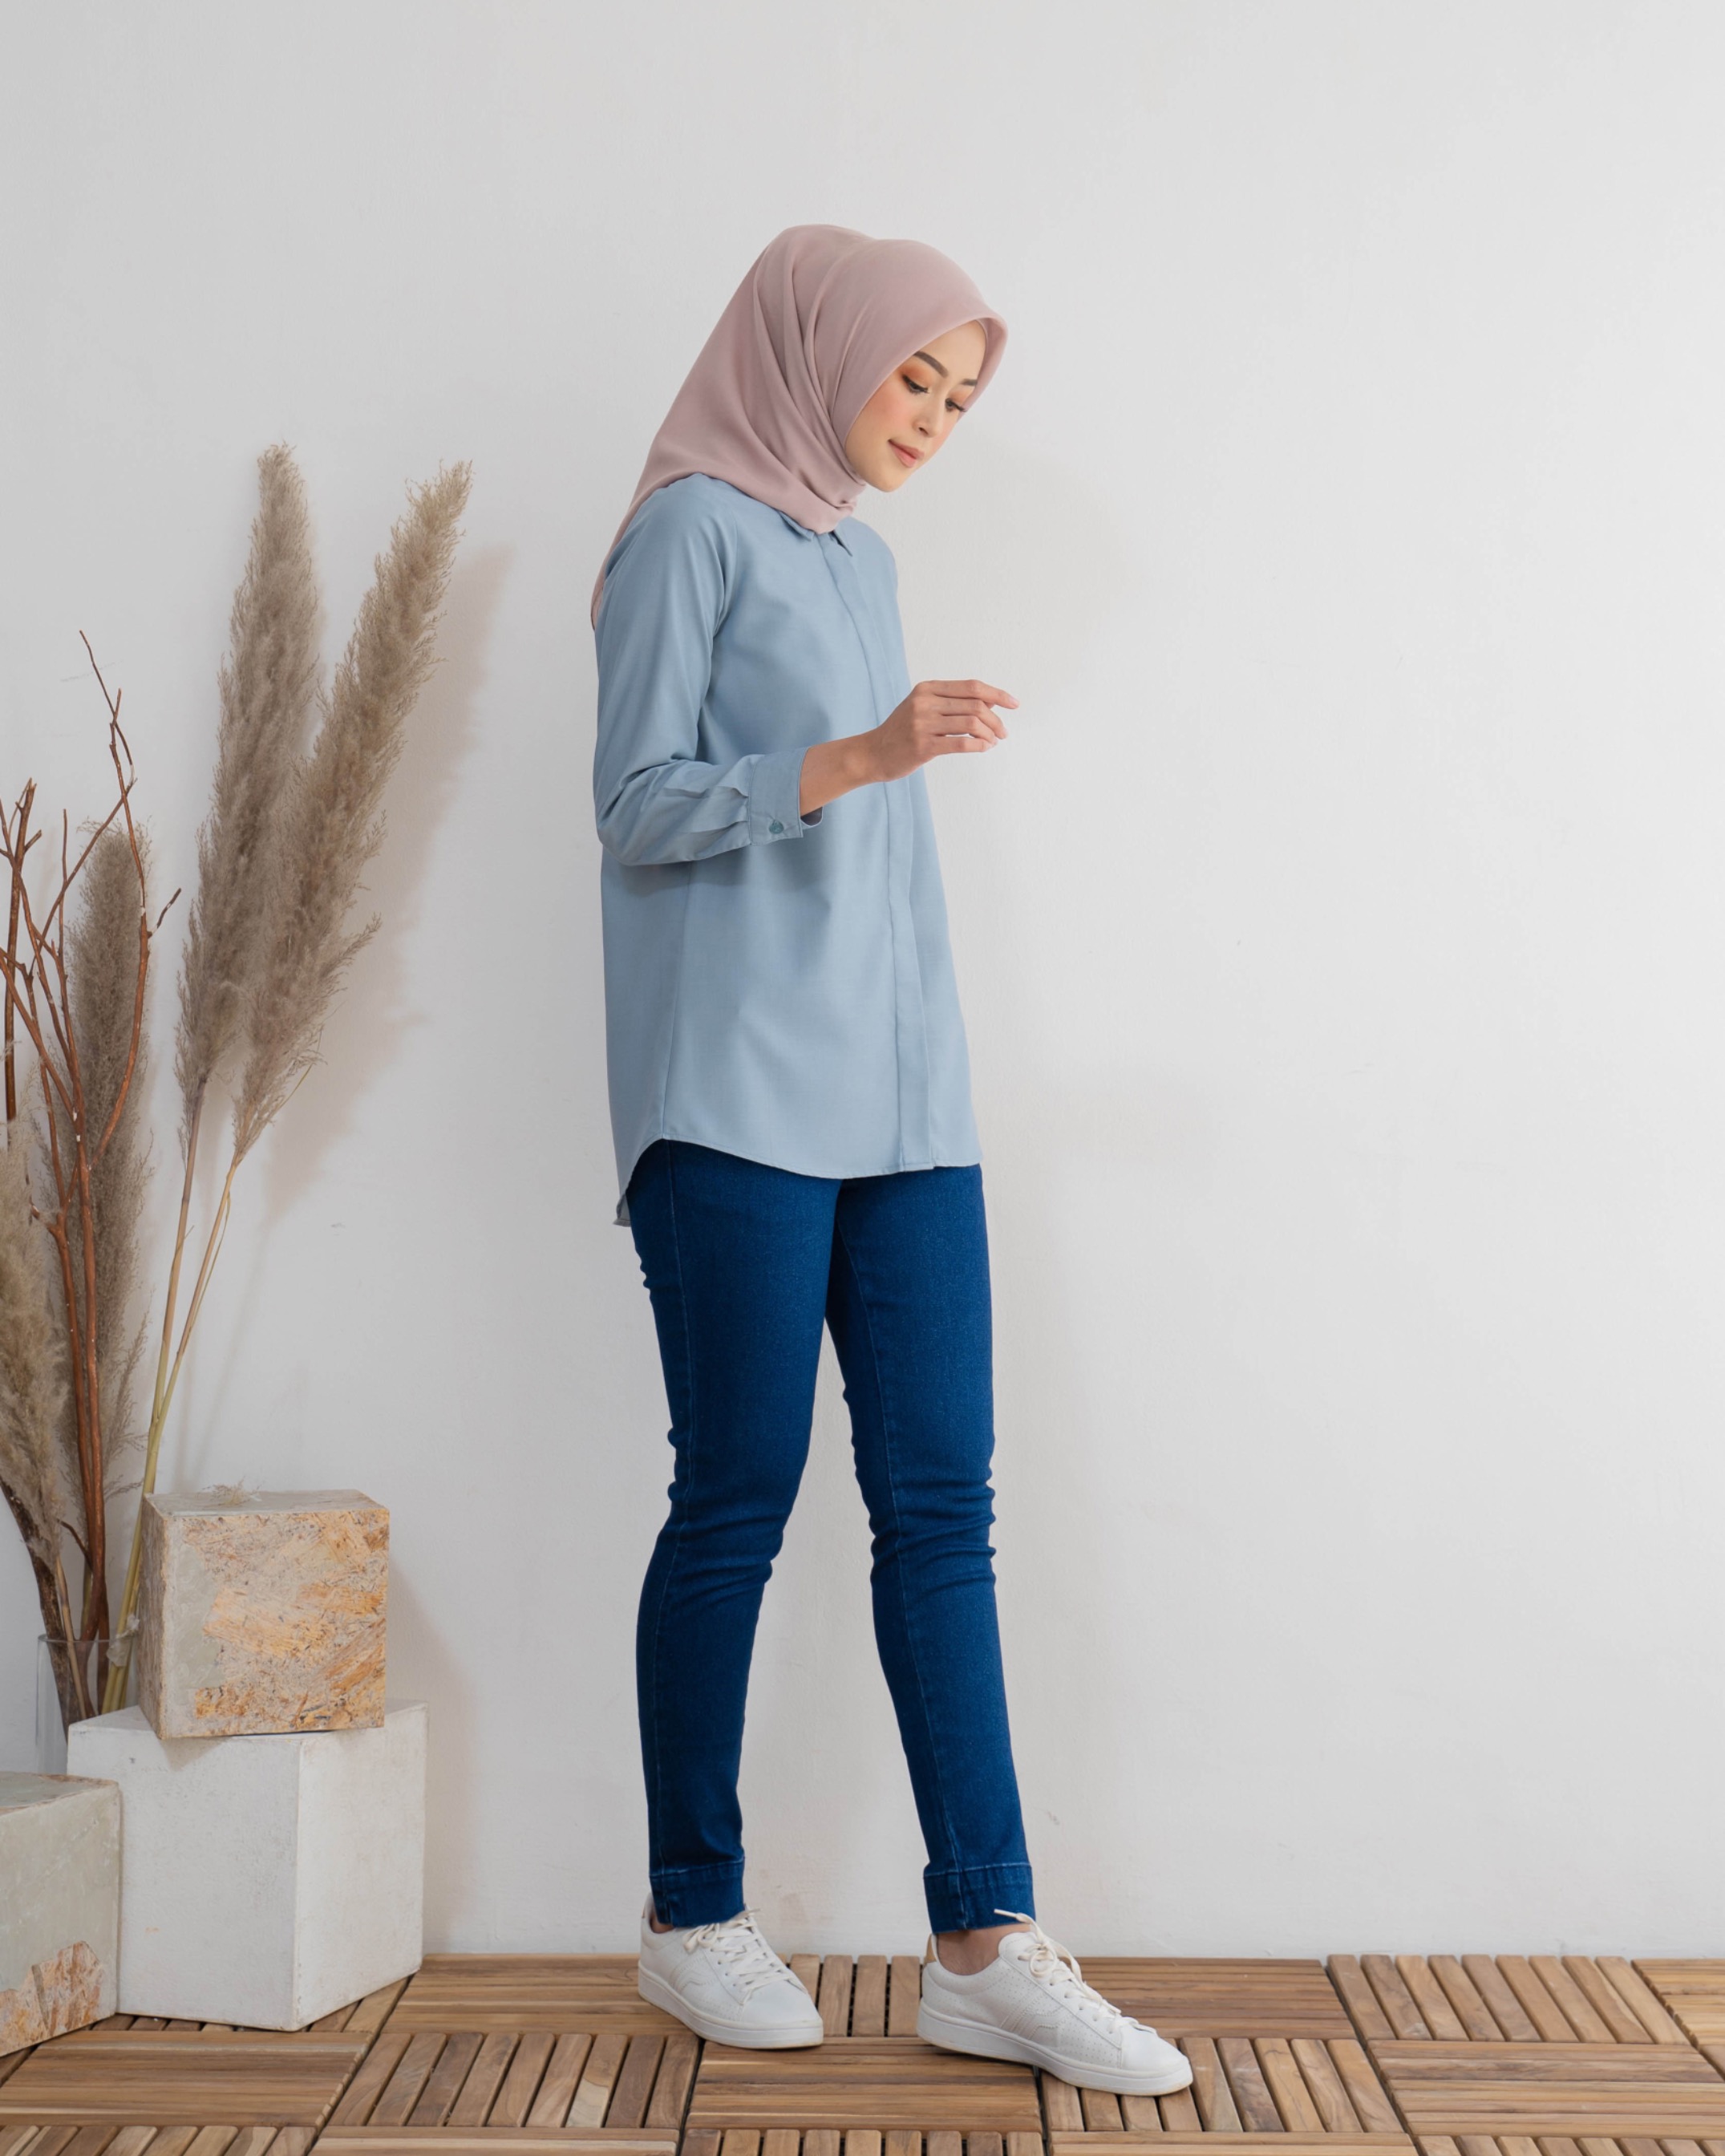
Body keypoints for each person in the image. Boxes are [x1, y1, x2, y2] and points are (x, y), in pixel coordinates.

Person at [590, 225, 1191, 2098]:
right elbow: (631, 805)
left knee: (941, 1508)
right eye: (910, 375)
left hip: (905, 1109)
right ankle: (692, 1913)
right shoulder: (687, 532)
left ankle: (984, 1945)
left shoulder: (859, 554)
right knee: (736, 1497)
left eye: (957, 394)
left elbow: (869, 877)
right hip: (730, 1100)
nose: (928, 415)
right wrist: (852, 756)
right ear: (815, 348)